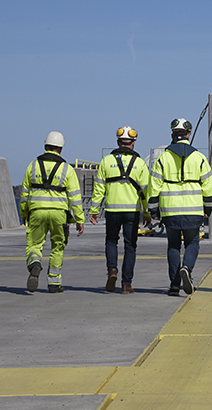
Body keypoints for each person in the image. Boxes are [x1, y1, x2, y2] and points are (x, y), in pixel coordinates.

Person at [149, 118, 212, 297]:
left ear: (172, 135)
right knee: (192, 242)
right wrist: (208, 208)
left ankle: (173, 285)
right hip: (193, 210)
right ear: (188, 135)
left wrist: (154, 210)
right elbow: (209, 186)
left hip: (170, 210)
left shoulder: (163, 158)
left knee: (173, 246)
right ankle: (187, 267)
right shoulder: (199, 157)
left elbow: (154, 185)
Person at [19, 131, 85, 294]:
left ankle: (35, 265)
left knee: (34, 244)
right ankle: (54, 284)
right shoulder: (67, 169)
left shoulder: (32, 166)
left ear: (45, 146)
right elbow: (75, 198)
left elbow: (24, 194)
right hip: (59, 214)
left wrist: (24, 213)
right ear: (61, 149)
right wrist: (79, 219)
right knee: (58, 246)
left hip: (36, 211)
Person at [89, 126, 150, 294]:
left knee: (111, 241)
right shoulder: (139, 163)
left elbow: (99, 189)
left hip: (112, 210)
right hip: (131, 211)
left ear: (117, 142)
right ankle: (126, 284)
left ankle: (112, 270)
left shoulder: (106, 161)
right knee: (130, 247)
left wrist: (94, 210)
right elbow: (146, 191)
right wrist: (148, 212)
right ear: (133, 143)